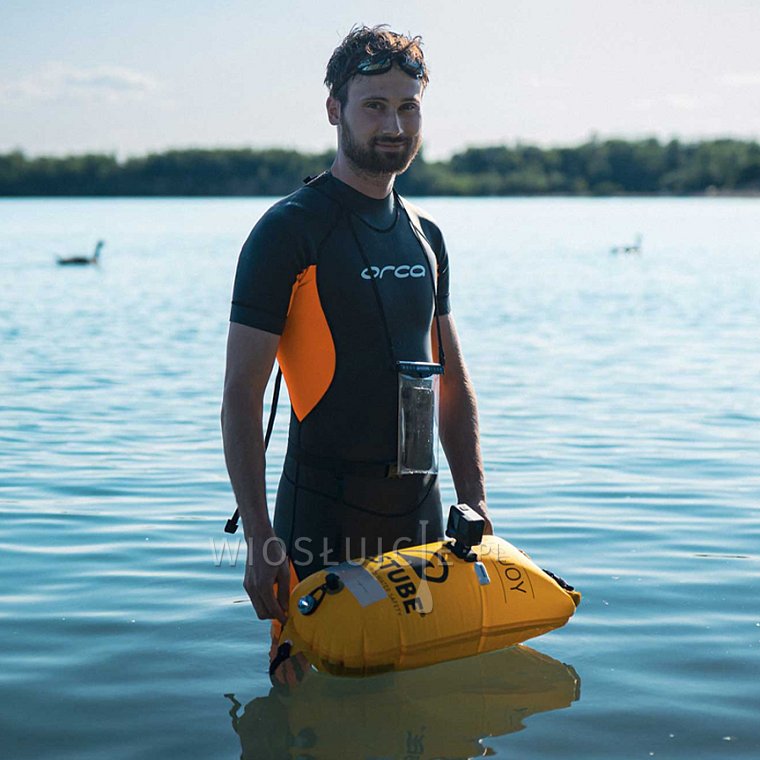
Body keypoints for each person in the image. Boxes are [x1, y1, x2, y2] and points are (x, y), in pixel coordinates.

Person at [221, 25, 490, 679]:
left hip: (421, 521)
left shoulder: (427, 236)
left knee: (417, 713)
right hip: (319, 524)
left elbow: (449, 382)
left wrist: (477, 503)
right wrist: (261, 537)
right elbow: (240, 396)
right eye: (375, 105)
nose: (394, 124)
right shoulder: (290, 231)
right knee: (305, 719)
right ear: (334, 110)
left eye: (408, 105)